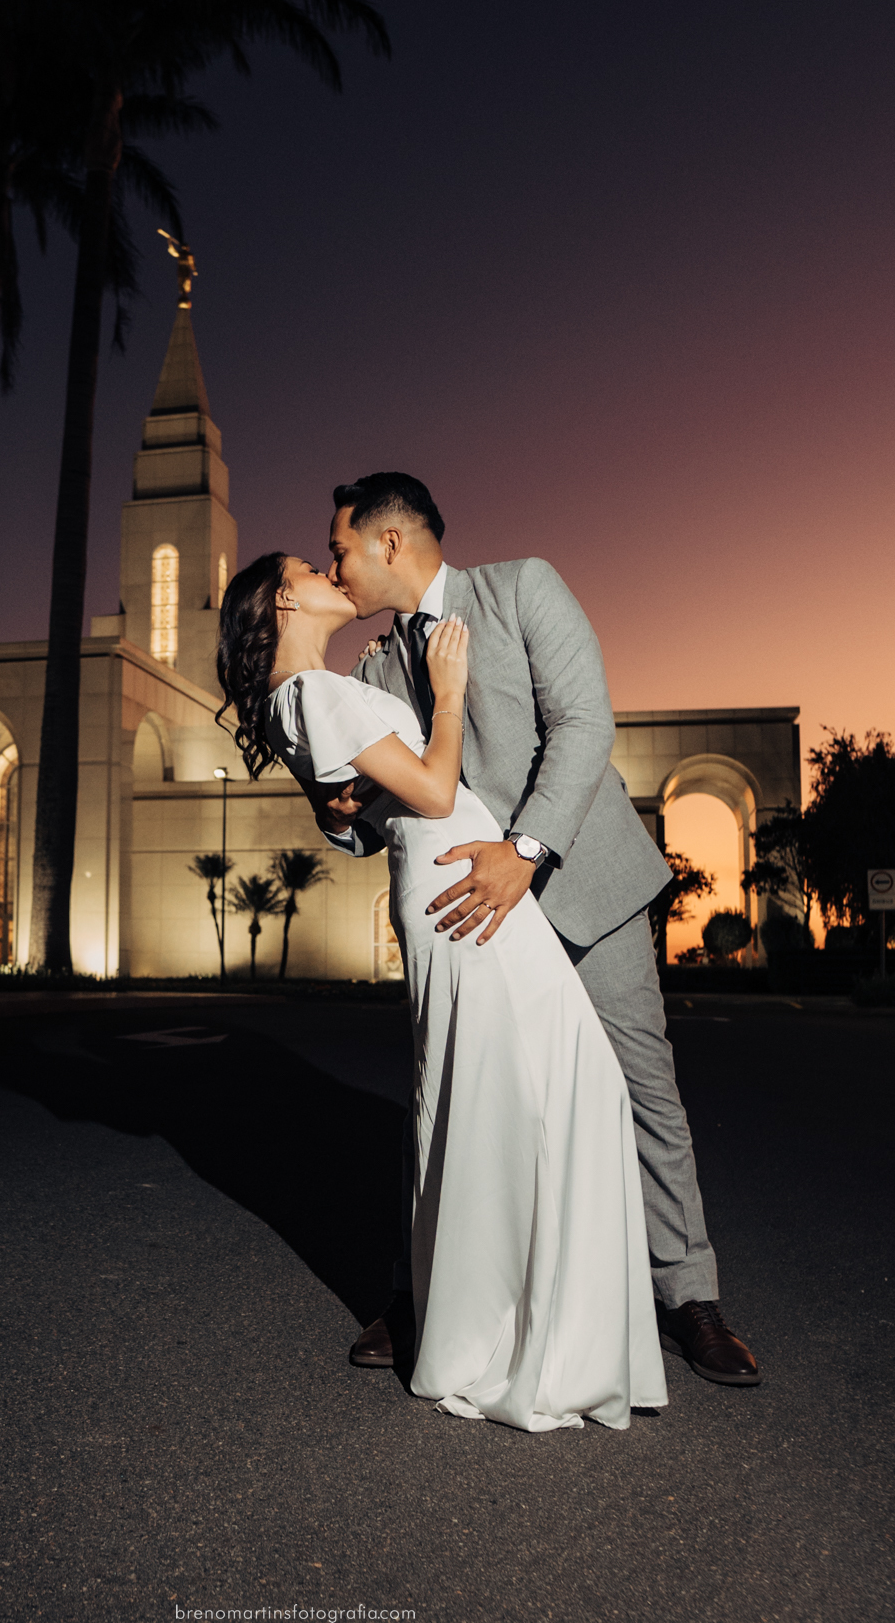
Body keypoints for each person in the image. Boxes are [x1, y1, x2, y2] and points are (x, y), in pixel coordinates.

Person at [317, 471, 759, 1388]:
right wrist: (338, 814)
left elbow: (584, 724)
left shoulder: (522, 588)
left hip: (581, 889)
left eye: (339, 549)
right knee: (446, 1098)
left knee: (643, 1090)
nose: (334, 568)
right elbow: (374, 814)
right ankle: (420, 1293)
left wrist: (524, 851)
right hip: (471, 916)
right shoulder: (370, 671)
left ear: (389, 541)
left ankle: (689, 1295)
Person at [217, 550, 668, 1430]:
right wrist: (450, 693)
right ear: (282, 600)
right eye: (310, 566)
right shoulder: (315, 693)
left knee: (517, 1092)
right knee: (540, 1090)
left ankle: (524, 1316)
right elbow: (430, 791)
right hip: (460, 882)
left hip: (458, 878)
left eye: (332, 551)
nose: (327, 568)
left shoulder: (310, 693)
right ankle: (515, 1330)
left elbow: (378, 791)